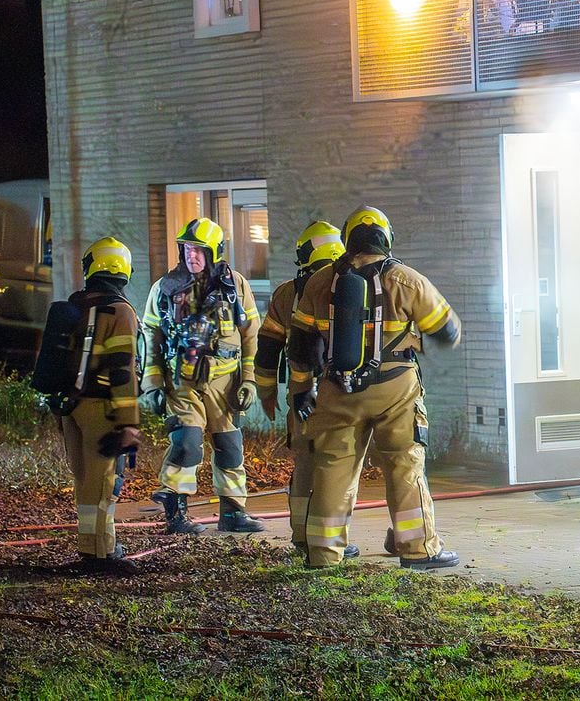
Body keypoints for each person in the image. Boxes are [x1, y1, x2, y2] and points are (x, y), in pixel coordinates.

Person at [288, 205, 461, 569]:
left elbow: (301, 345)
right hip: (395, 391)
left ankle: (323, 554)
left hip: (336, 392)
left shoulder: (321, 282)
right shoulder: (406, 280)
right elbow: (448, 330)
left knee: (332, 469)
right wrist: (417, 343)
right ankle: (419, 550)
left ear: (347, 239)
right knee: (404, 465)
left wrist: (302, 389)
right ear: (387, 237)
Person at [140, 217, 265, 535]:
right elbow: (150, 336)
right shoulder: (164, 289)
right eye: (186, 249)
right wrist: (152, 383)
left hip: (226, 383)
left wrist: (249, 378)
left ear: (215, 252)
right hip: (183, 383)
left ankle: (233, 512)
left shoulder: (235, 285)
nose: (190, 256)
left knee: (230, 446)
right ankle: (176, 511)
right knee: (187, 442)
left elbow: (251, 335)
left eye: (198, 250)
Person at [254, 220, 360, 558]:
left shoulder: (288, 293)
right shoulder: (350, 285)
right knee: (337, 465)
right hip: (339, 391)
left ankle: (301, 536)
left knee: (304, 463)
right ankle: (328, 541)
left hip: (300, 393)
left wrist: (266, 391)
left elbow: (268, 347)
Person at [51, 237, 142, 573]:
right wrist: (129, 422)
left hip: (70, 407)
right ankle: (99, 556)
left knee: (84, 479)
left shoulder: (78, 305)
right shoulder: (120, 311)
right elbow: (122, 370)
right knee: (103, 482)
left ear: (90, 267)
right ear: (125, 270)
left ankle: (93, 547)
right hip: (101, 410)